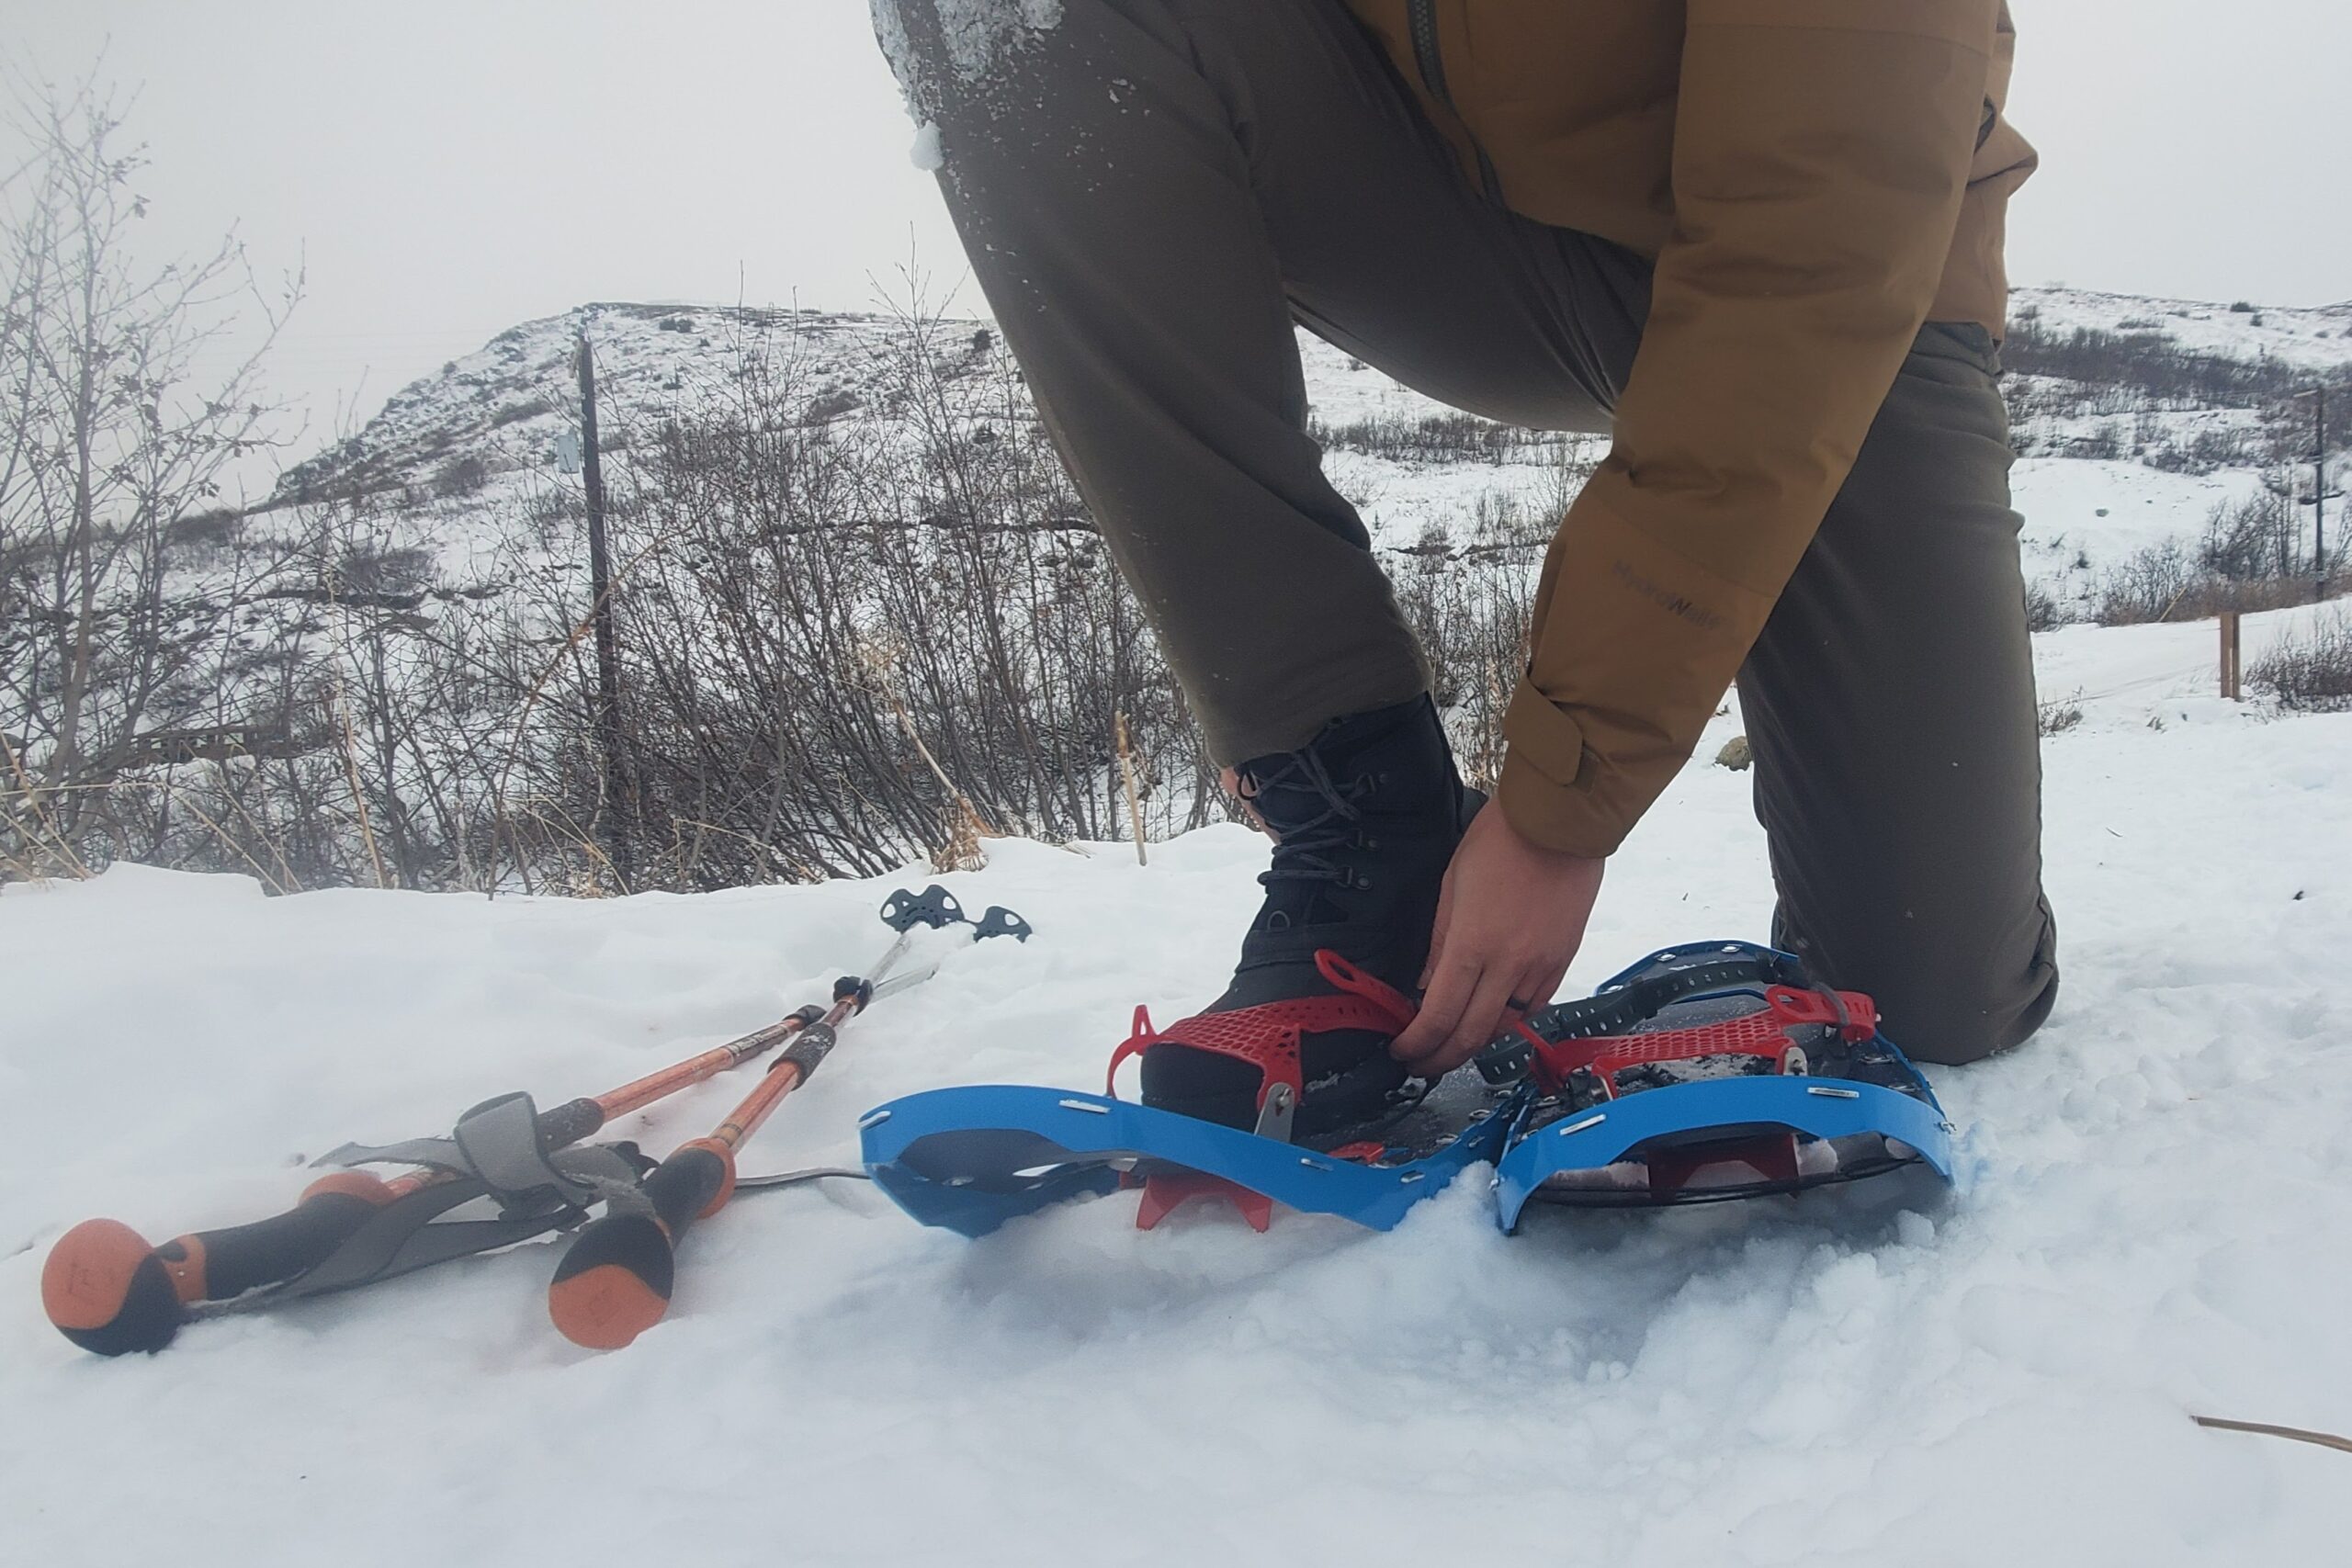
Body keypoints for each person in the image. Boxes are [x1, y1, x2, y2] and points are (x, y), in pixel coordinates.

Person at [873, 0, 2059, 1134]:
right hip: (1495, 218)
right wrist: (1271, 685)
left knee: (1930, 990)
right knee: (1000, 10)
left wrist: (1560, 805)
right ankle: (1362, 803)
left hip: (1852, 271)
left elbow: (1811, 247)